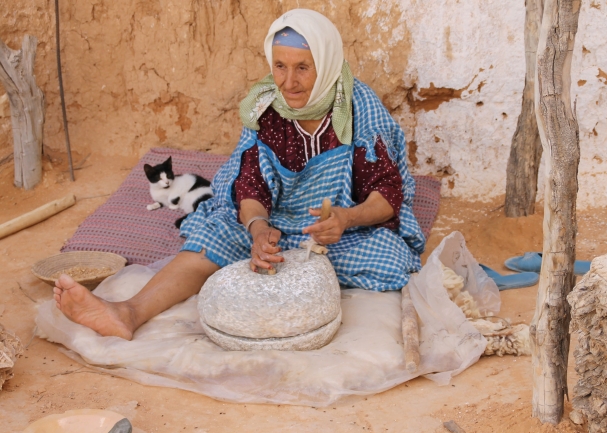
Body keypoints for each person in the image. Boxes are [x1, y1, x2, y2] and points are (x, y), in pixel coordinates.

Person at [53, 9, 426, 341]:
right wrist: (258, 230)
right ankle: (127, 312)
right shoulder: (265, 107)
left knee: (389, 258)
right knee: (214, 235)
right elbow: (250, 183)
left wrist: (346, 218)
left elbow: (387, 193)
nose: (289, 82)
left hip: (338, 230)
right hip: (275, 221)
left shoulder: (358, 106)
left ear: (326, 64)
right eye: (280, 66)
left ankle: (304, 259)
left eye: (303, 68)